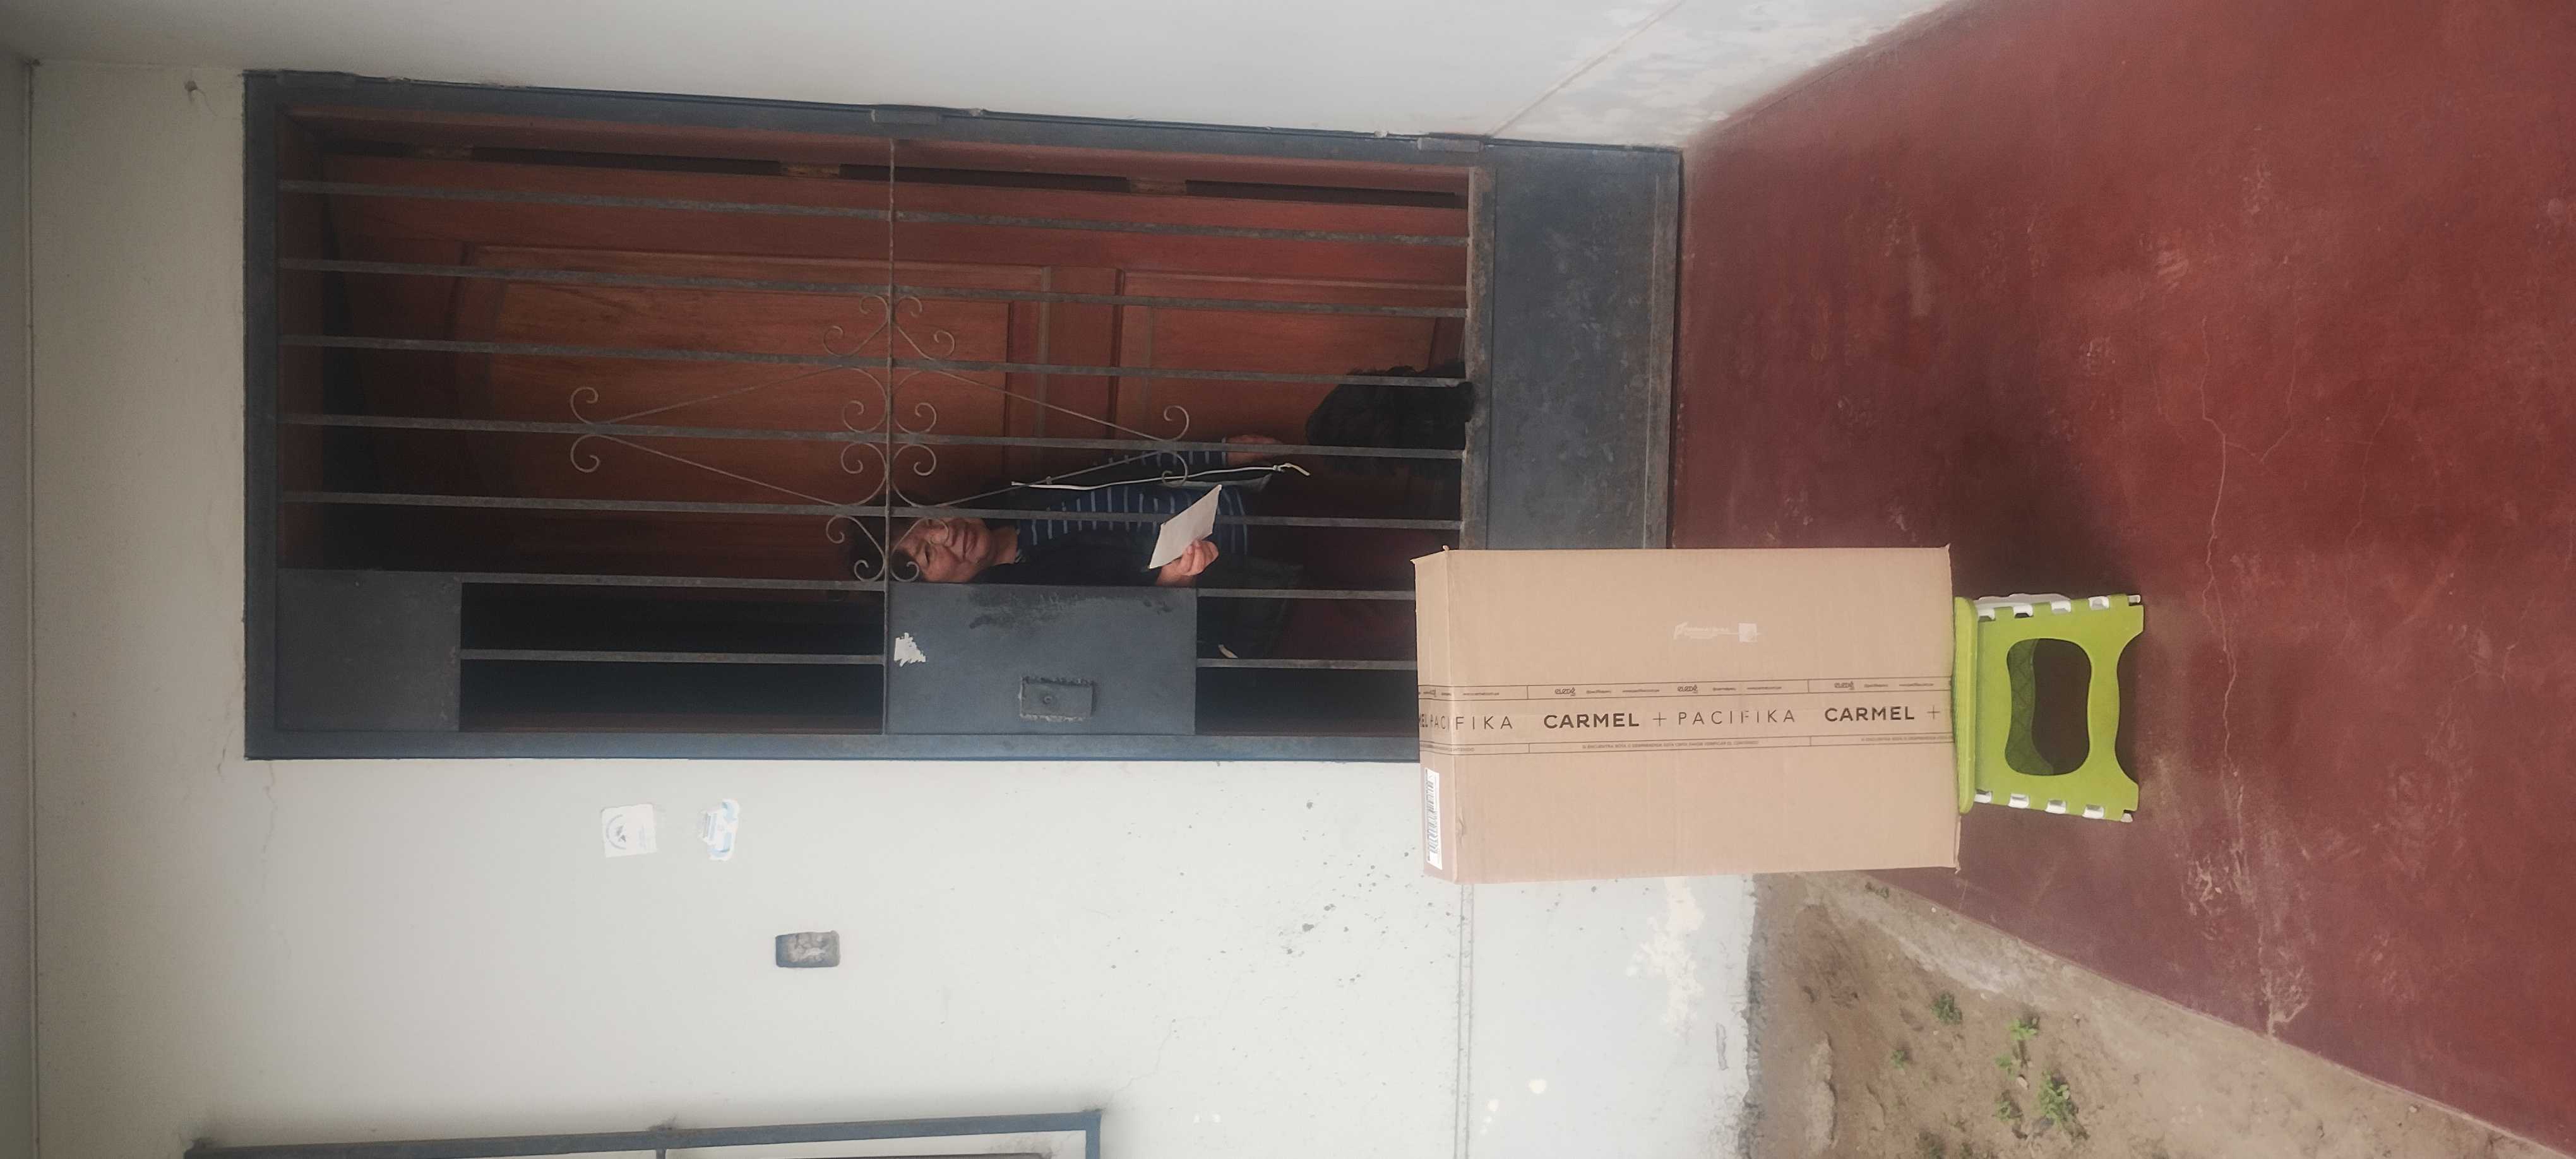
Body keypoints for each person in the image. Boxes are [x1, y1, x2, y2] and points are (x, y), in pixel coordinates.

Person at [889, 436, 1280, 587]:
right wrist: (1171, 583)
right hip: (1253, 573)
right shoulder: (1020, 599)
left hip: (1251, 499)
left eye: (931, 520)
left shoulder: (1018, 498)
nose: (946, 533)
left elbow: (1123, 467)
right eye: (928, 553)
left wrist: (1221, 454)